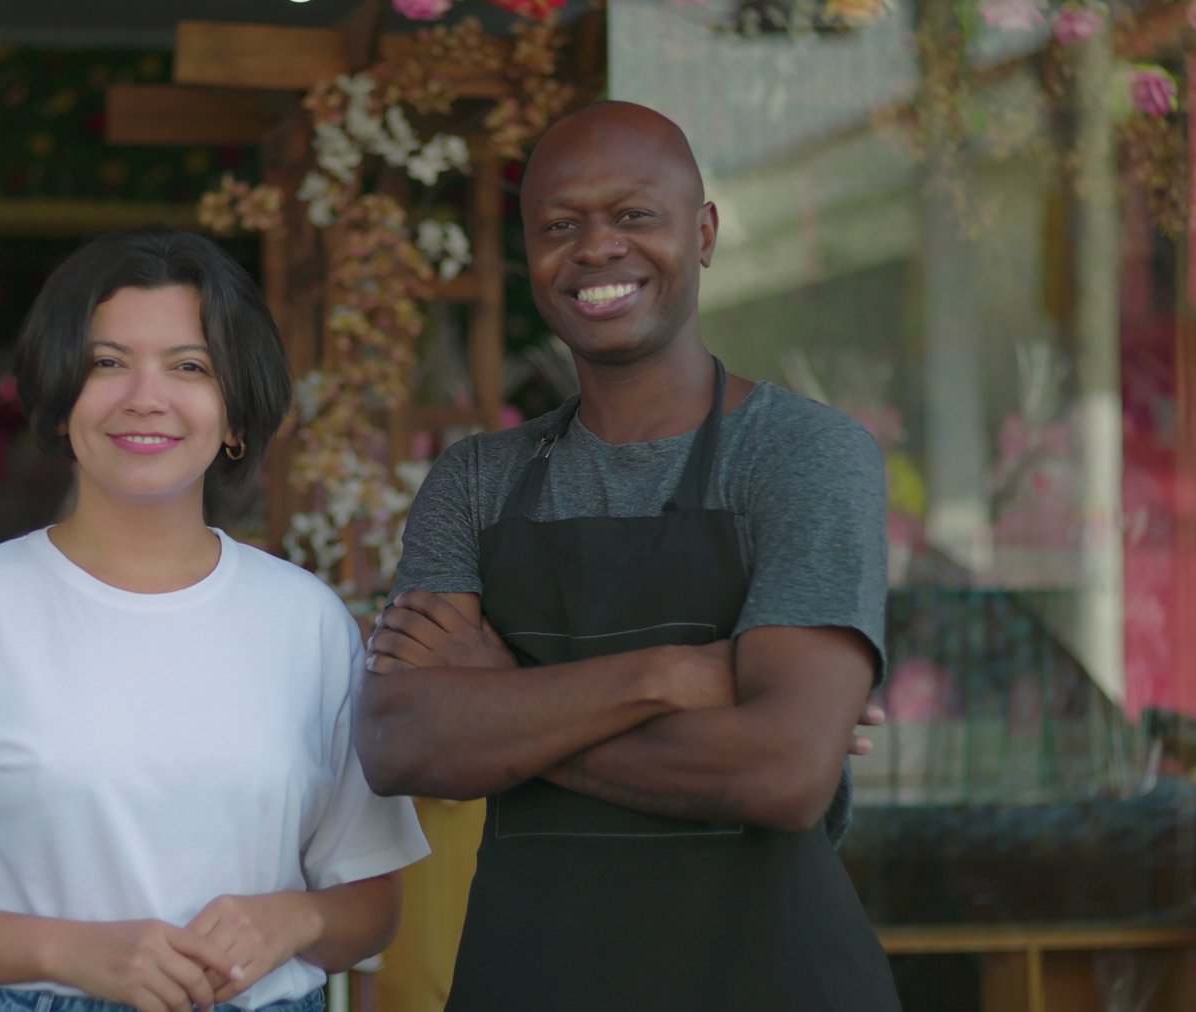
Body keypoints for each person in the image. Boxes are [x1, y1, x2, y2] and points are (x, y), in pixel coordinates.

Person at [0, 226, 430, 1012]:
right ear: (62, 404)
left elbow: (374, 904)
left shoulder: (309, 623)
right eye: (107, 363)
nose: (145, 396)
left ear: (236, 417)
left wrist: (295, 918)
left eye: (190, 366)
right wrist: (67, 951)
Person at [356, 101, 901, 1010]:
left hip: (774, 980)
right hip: (532, 978)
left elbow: (783, 772)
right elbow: (398, 741)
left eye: (634, 215)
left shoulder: (804, 454)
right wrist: (668, 675)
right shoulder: (477, 481)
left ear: (704, 233)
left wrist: (508, 712)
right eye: (559, 225)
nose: (597, 248)